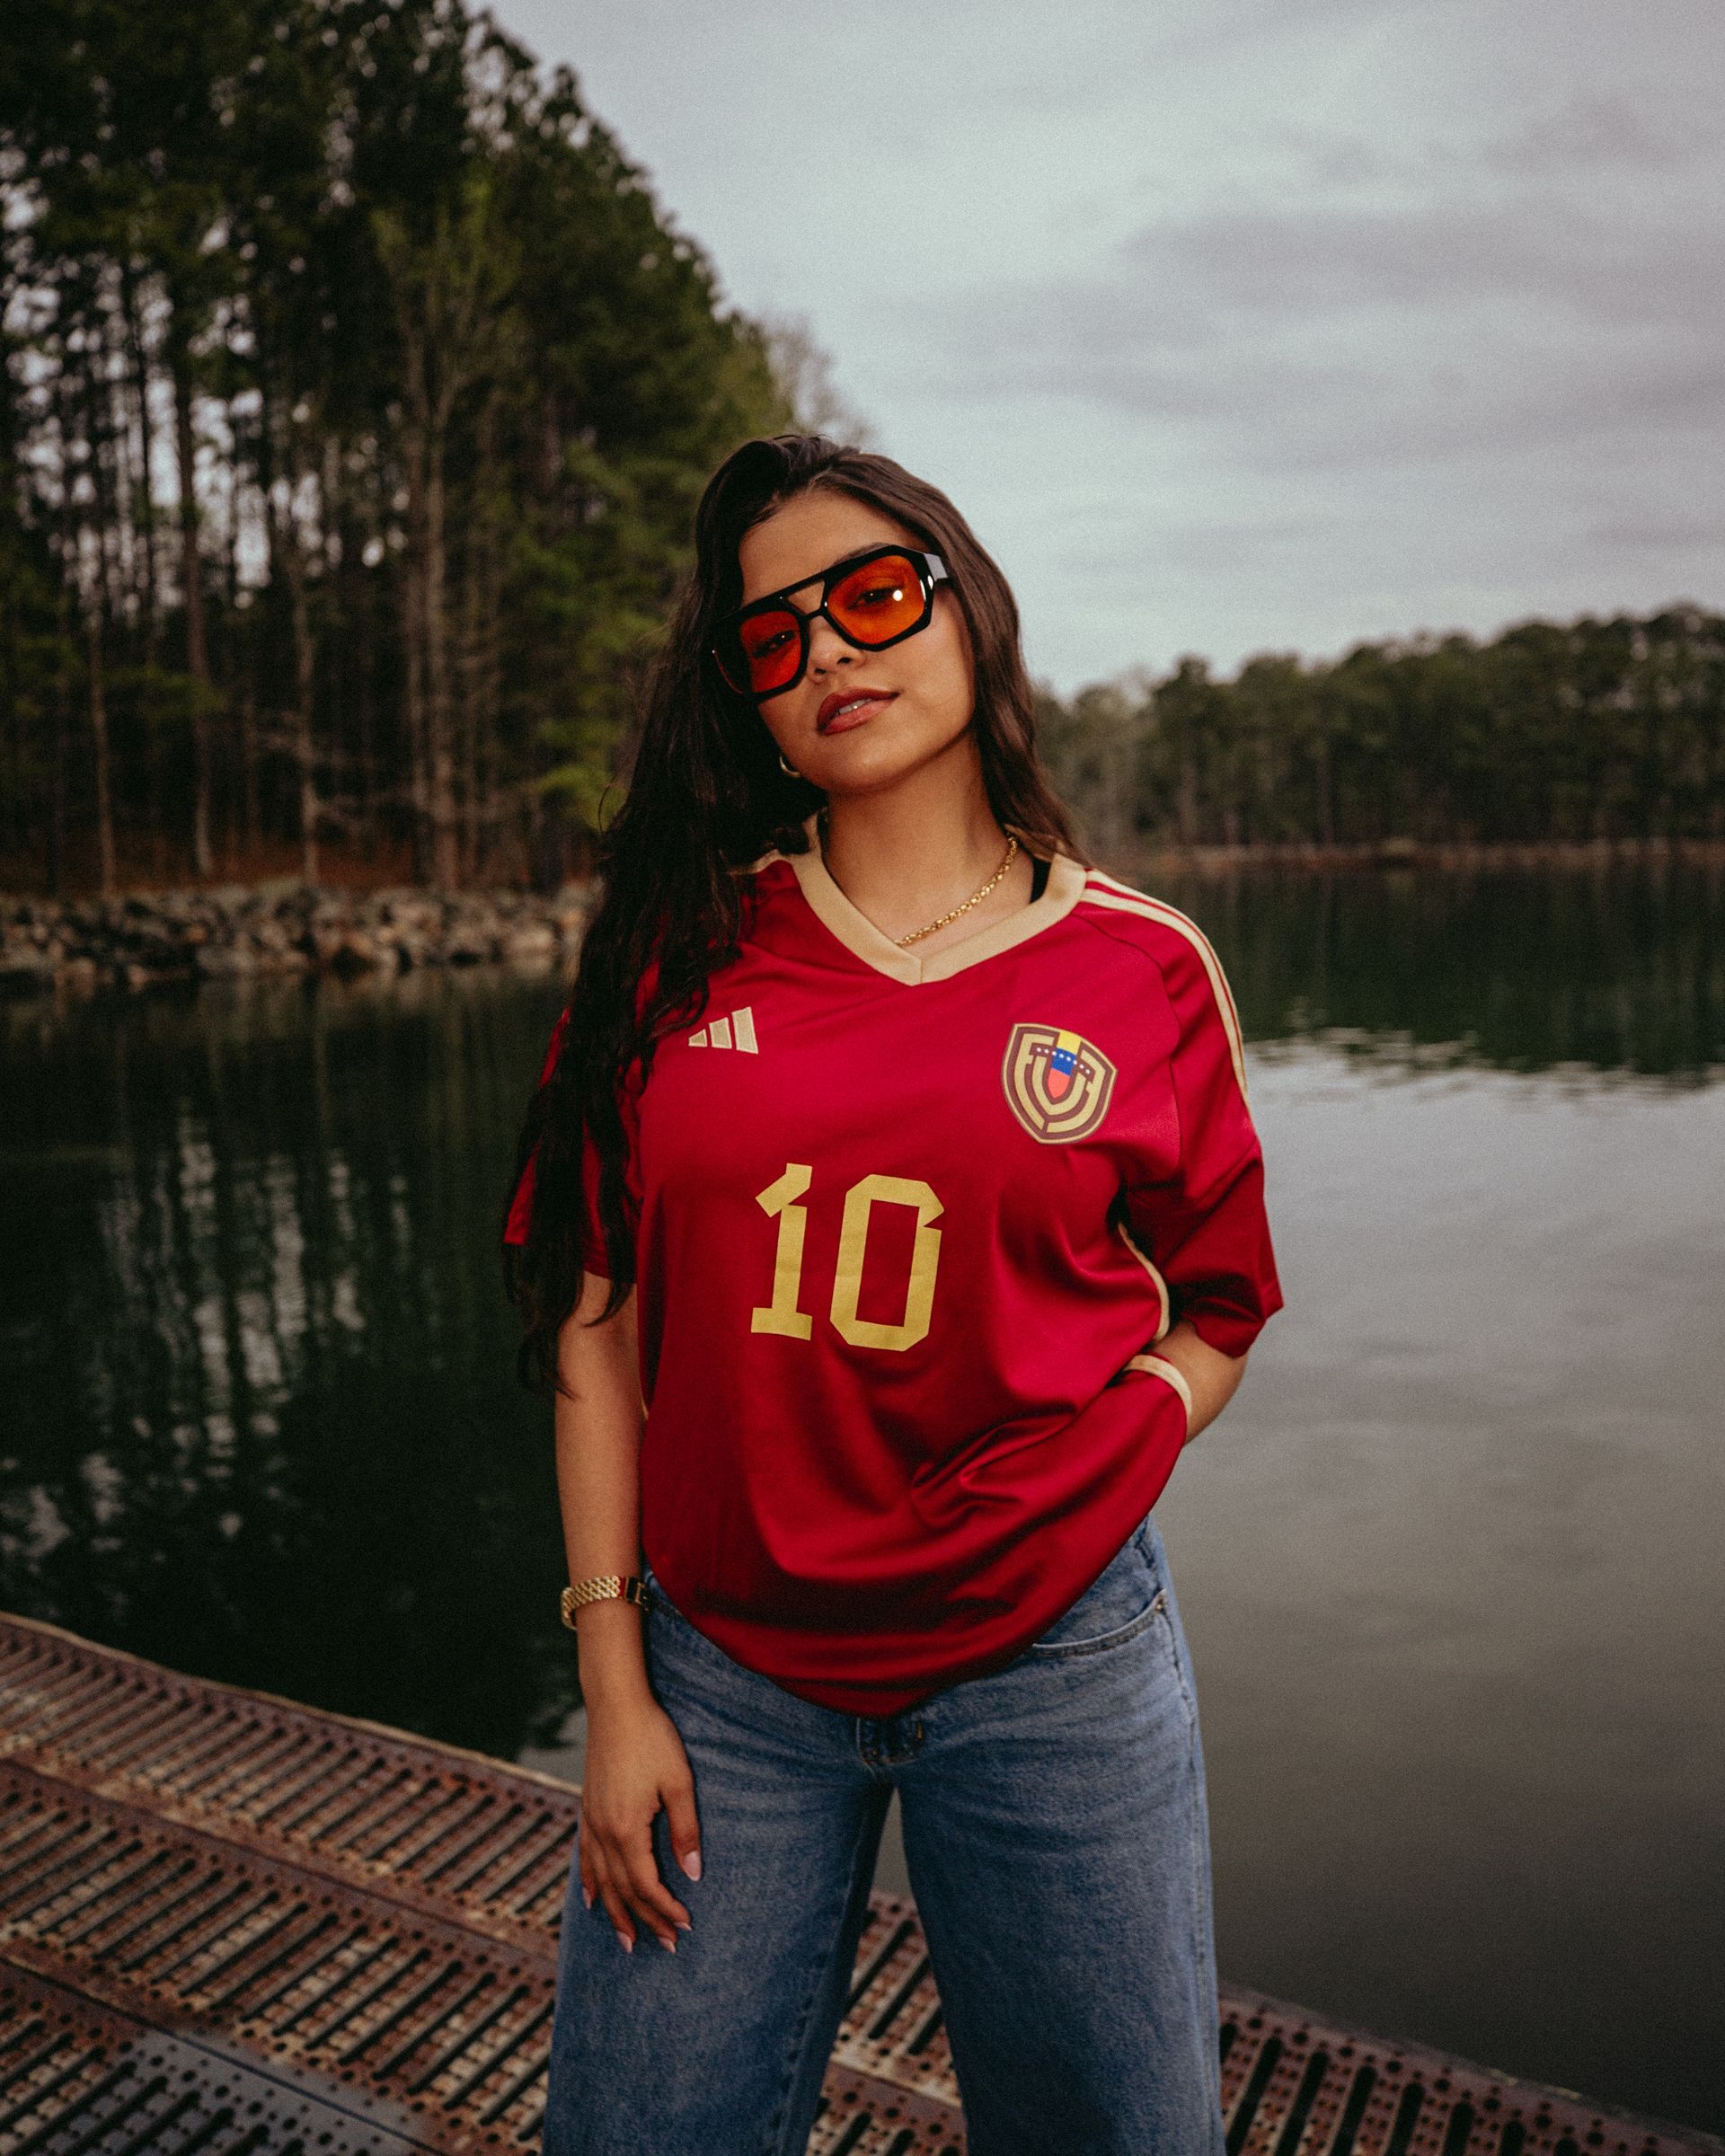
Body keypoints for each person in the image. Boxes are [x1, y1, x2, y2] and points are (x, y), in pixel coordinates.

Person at [504, 433, 1285, 2156]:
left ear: (967, 610)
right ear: (747, 700)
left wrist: (1120, 1437)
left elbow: (1219, 1304)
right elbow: (594, 1335)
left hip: (1056, 1664)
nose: (831, 653)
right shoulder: (672, 957)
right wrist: (616, 1684)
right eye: (772, 637)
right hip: (724, 1679)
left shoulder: (1139, 970)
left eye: (869, 596)